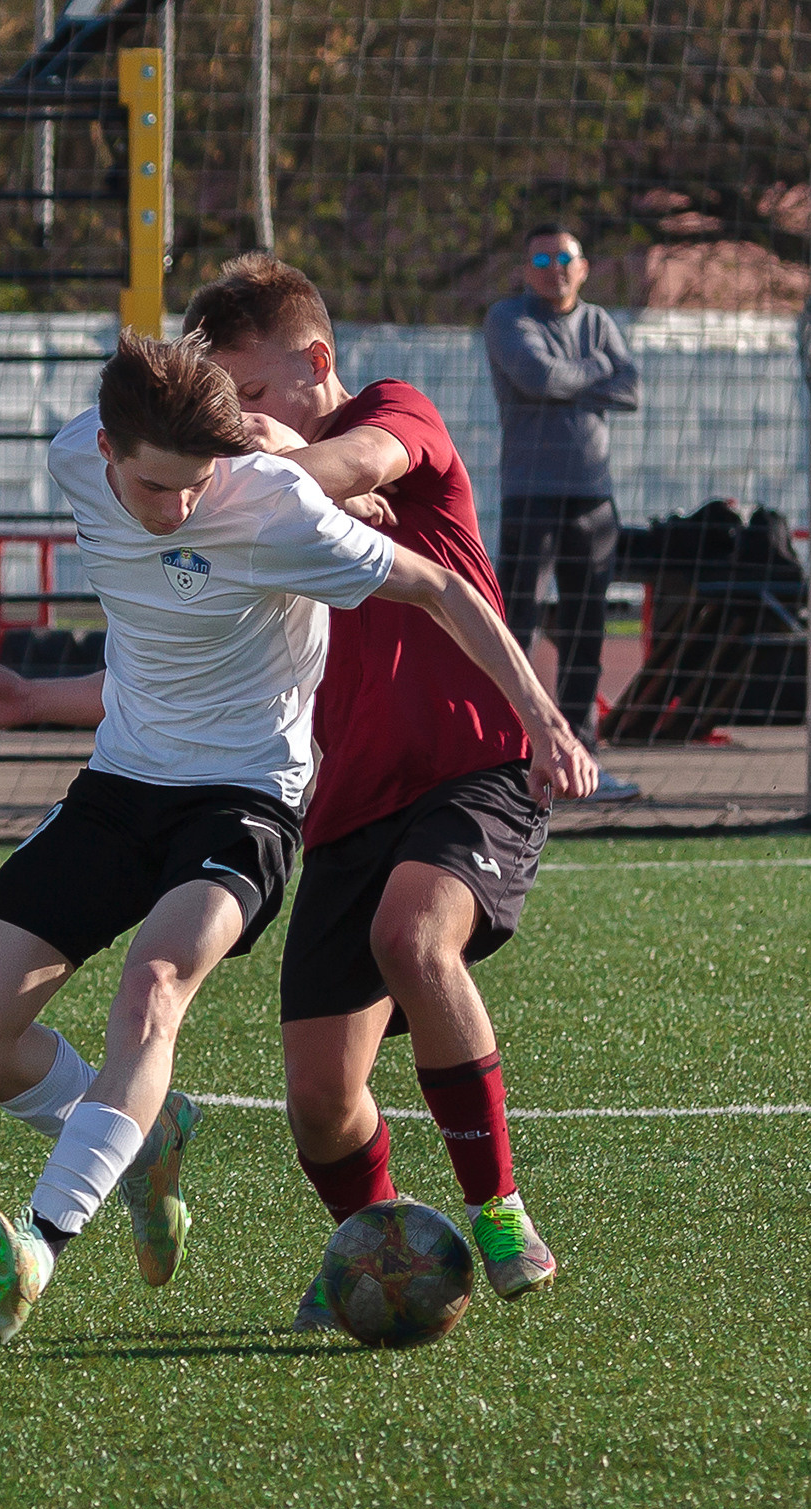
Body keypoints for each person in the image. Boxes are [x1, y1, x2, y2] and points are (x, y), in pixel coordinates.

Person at [0, 329, 592, 1346]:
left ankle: (39, 1248)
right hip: (118, 789)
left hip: (244, 804)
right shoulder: (72, 457)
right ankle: (144, 1141)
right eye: (153, 485)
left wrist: (540, 714)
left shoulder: (268, 508)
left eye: (198, 482)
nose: (179, 507)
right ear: (102, 452)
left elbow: (442, 587)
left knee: (154, 985)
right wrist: (29, 701)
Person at [180, 252, 598, 1326]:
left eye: (258, 396)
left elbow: (363, 456)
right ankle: (380, 1251)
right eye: (229, 409)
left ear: (315, 362)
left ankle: (497, 1208)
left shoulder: (392, 412)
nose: (245, 422)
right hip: (348, 808)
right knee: (320, 1102)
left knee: (414, 936)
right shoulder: (259, 510)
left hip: (477, 764)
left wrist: (277, 454)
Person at [484, 223, 642, 801]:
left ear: (584, 266)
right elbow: (537, 376)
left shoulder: (598, 321)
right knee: (515, 623)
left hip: (593, 497)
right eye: (542, 257)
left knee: (585, 629)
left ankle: (584, 761)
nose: (555, 267)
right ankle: (505, 757)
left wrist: (576, 380)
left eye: (565, 258)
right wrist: (598, 373)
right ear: (526, 269)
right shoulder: (507, 318)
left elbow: (632, 390)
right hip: (531, 493)